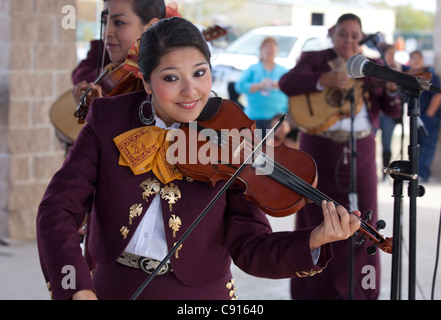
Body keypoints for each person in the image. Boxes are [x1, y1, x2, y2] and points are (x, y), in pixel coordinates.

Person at [36, 17, 361, 300]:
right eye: (171, 78)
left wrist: (314, 239)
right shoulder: (108, 119)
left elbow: (250, 247)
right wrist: (76, 288)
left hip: (201, 295)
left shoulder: (233, 133)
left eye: (200, 73)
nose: (191, 91)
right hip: (113, 289)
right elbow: (57, 210)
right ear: (146, 82)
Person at [279, 13, 402, 300]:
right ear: (333, 33)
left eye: (354, 35)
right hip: (318, 151)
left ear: (361, 38)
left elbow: (393, 110)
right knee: (316, 221)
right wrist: (324, 79)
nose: (349, 40)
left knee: (365, 223)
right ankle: (312, 292)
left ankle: (363, 291)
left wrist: (395, 89)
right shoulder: (314, 58)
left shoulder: (373, 66)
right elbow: (287, 82)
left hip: (361, 152)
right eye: (343, 33)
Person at [72, 0, 171, 106]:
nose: (106, 33)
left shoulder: (170, 74)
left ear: (151, 27)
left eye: (119, 22)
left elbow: (191, 122)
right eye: (104, 23)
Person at [235, 37, 288, 130]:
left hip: (277, 117)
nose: (269, 50)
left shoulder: (283, 71)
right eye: (266, 47)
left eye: (271, 47)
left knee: (274, 144)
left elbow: (292, 88)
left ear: (277, 49)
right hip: (255, 117)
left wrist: (280, 85)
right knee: (256, 143)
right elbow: (239, 86)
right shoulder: (253, 68)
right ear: (261, 50)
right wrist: (259, 85)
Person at [404, 50, 441, 182]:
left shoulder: (429, 75)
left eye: (418, 58)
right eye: (413, 58)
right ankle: (414, 173)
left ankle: (423, 174)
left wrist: (428, 115)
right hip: (415, 116)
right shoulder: (409, 76)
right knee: (415, 145)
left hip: (428, 116)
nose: (416, 61)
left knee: (427, 145)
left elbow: (437, 94)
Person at [378, 44, 404, 180]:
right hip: (377, 112)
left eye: (394, 54)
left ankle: (386, 172)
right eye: (389, 53)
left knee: (386, 143)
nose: (392, 57)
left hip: (388, 113)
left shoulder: (397, 68)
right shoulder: (376, 67)